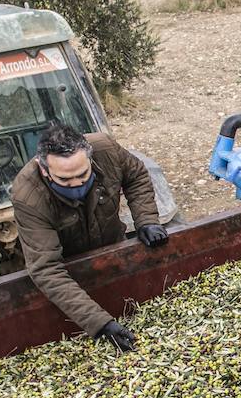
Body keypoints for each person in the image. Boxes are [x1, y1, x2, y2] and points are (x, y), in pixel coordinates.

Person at [10, 124, 169, 351]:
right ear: (44, 170)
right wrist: (100, 324)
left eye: (83, 175)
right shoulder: (28, 196)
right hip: (69, 268)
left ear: (90, 158)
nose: (76, 184)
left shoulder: (106, 150)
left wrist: (147, 220)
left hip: (111, 244)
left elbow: (136, 175)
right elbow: (46, 269)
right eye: (65, 179)